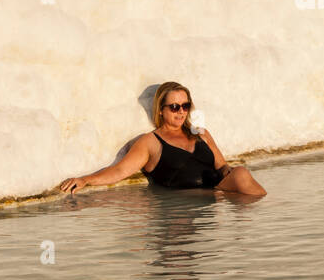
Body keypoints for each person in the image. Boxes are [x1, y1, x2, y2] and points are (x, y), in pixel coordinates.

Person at [57, 81, 266, 196]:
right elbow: (120, 170)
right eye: (175, 107)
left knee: (239, 173)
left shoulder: (201, 133)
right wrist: (85, 179)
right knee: (242, 175)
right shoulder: (150, 142)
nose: (181, 111)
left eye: (185, 106)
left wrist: (226, 171)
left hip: (218, 199)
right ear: (160, 110)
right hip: (189, 202)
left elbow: (222, 166)